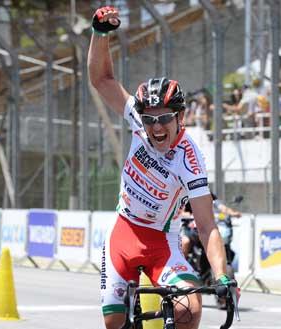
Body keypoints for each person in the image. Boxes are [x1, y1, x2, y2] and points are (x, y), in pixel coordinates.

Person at [88, 6, 232, 329]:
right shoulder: (138, 122)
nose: (155, 127)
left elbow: (207, 226)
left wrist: (222, 275)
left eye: (165, 118)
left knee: (189, 309)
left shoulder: (190, 158)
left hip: (161, 242)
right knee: (114, 322)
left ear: (181, 117)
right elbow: (101, 79)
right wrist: (99, 34)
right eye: (150, 119)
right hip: (123, 233)